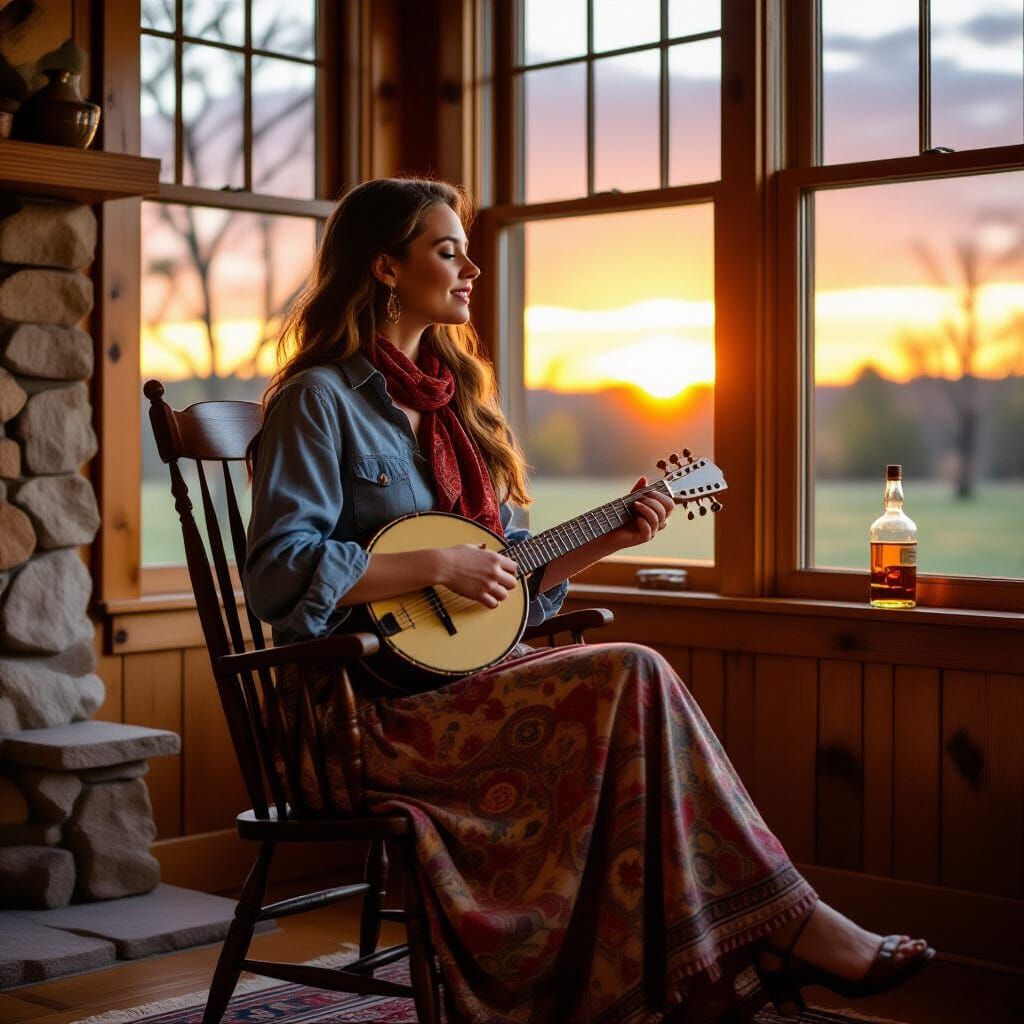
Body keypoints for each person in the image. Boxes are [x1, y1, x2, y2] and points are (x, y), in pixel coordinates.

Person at [243, 177, 934, 1024]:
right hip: (366, 713)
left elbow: (504, 589)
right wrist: (437, 563)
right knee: (632, 671)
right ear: (385, 267)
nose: (471, 271)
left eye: (467, 252)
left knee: (633, 700)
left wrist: (609, 537)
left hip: (463, 682)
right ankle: (784, 930)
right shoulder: (317, 401)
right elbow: (278, 575)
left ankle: (733, 951)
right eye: (448, 252)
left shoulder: (457, 408)